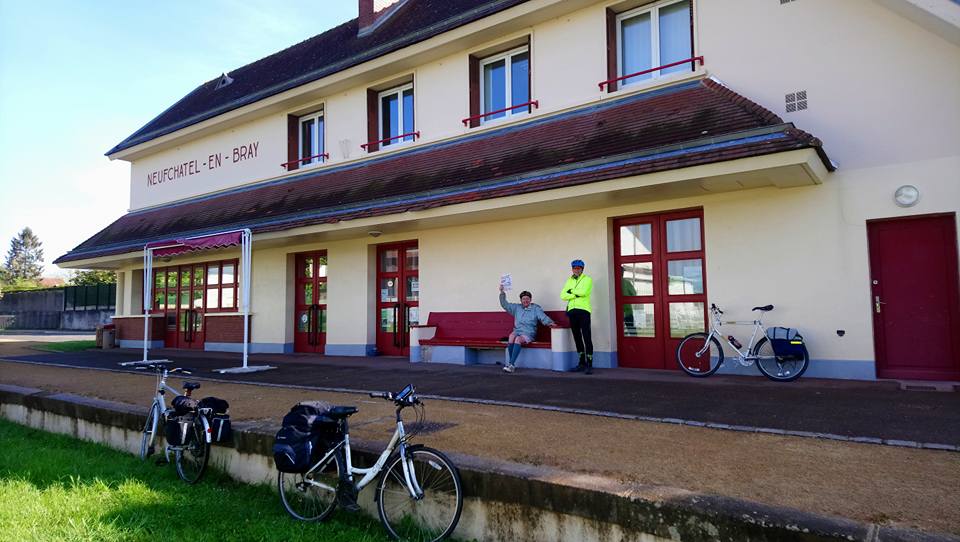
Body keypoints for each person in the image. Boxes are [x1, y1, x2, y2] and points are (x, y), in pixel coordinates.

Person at [499, 285, 556, 373]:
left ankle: (511, 364)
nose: (525, 300)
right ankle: (511, 364)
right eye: (523, 299)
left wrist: (550, 322)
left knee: (517, 339)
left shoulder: (535, 308)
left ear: (530, 300)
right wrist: (502, 293)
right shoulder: (517, 308)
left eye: (527, 299)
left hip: (529, 333)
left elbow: (542, 317)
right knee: (511, 337)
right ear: (521, 300)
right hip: (517, 331)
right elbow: (505, 305)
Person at [561, 259, 594, 374]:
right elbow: (563, 295)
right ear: (572, 269)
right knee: (577, 337)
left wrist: (571, 292)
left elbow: (584, 292)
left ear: (582, 269)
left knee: (586, 336)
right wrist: (575, 293)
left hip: (584, 311)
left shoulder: (587, 279)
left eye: (579, 268)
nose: (576, 270)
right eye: (574, 268)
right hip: (572, 311)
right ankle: (581, 362)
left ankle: (589, 363)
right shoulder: (569, 280)